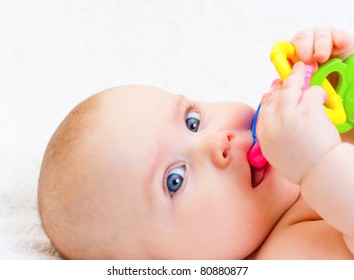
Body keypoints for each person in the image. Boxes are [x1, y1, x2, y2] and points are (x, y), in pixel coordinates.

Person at [38, 27, 354, 259]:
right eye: (174, 181)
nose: (216, 142)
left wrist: (339, 75)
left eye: (193, 121)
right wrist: (317, 163)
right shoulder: (285, 255)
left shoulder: (302, 140)